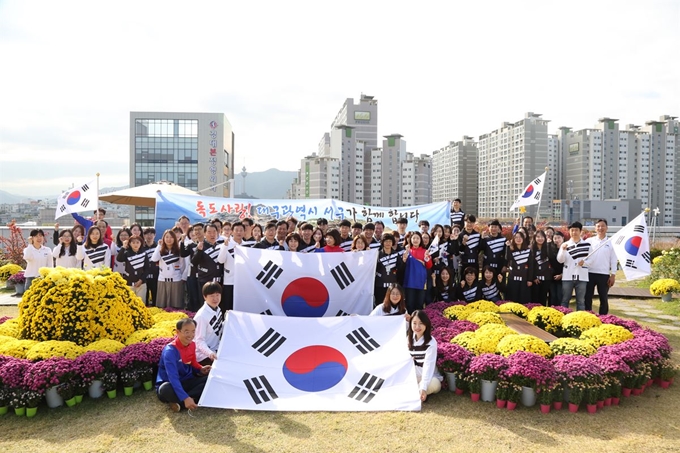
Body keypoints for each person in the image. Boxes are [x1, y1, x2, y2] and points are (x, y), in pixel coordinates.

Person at [156, 318, 211, 412]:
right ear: (178, 332)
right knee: (164, 389)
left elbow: (193, 363)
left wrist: (201, 369)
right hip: (171, 384)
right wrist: (185, 397)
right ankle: (189, 400)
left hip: (187, 381)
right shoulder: (170, 351)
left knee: (211, 380)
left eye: (193, 331)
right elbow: (173, 378)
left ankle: (181, 403)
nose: (191, 335)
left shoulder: (192, 344)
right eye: (186, 331)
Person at [407, 310, 442, 402]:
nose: (417, 327)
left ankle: (420, 391)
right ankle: (416, 392)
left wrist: (423, 387)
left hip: (429, 377)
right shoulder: (408, 339)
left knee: (434, 384)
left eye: (421, 323)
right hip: (413, 376)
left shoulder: (431, 342)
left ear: (426, 325)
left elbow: (428, 365)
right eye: (414, 323)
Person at [585, 219, 618, 315]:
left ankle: (604, 317)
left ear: (607, 228)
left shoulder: (611, 242)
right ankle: (588, 315)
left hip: (603, 274)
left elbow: (613, 259)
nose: (600, 228)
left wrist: (613, 275)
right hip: (589, 273)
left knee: (603, 297)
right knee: (587, 296)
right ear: (595, 228)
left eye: (603, 226)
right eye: (598, 226)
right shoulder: (589, 241)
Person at [557, 221, 591, 311]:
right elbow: (560, 260)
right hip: (568, 276)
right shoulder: (565, 245)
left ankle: (580, 321)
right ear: (569, 232)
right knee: (565, 300)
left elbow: (592, 260)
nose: (574, 232)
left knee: (581, 301)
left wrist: (585, 263)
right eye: (572, 230)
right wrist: (563, 250)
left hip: (582, 277)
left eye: (576, 230)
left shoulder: (587, 245)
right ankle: (563, 318)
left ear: (580, 231)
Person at [152, 229, 185, 309]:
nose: (169, 239)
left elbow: (182, 265)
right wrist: (159, 246)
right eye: (166, 237)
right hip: (163, 279)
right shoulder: (160, 250)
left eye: (171, 237)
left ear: (175, 238)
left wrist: (180, 276)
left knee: (176, 304)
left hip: (176, 280)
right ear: (163, 238)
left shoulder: (179, 250)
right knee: (162, 304)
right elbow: (154, 259)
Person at [194, 282, 224, 365]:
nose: (215, 298)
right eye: (212, 296)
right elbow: (199, 341)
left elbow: (218, 328)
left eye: (217, 295)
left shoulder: (218, 309)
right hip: (203, 357)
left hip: (215, 350)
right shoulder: (201, 316)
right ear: (205, 297)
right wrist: (210, 353)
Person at [402, 231, 432, 313]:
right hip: (409, 282)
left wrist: (427, 258)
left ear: (420, 240)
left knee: (419, 304)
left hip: (421, 282)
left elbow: (429, 266)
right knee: (409, 304)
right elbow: (403, 264)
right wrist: (406, 254)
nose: (415, 240)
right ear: (410, 239)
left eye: (418, 238)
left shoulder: (425, 251)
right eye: (414, 238)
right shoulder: (407, 251)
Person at [116, 234, 149, 303]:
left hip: (141, 284)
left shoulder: (144, 254)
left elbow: (147, 269)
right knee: (130, 303)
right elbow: (119, 259)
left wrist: (141, 280)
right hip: (129, 283)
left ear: (141, 243)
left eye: (137, 242)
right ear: (130, 244)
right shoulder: (127, 253)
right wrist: (123, 247)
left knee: (141, 303)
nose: (135, 244)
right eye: (133, 242)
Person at [181, 223, 205, 312]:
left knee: (202, 299)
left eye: (199, 229)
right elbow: (183, 254)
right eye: (195, 230)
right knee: (193, 298)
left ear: (204, 230)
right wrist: (182, 242)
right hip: (192, 275)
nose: (197, 231)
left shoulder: (207, 243)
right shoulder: (191, 244)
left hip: (204, 276)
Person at [192, 223, 224, 290]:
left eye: (214, 232)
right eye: (209, 232)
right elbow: (194, 262)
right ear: (204, 234)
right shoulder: (201, 246)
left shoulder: (221, 246)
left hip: (219, 281)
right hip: (205, 281)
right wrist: (199, 251)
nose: (212, 234)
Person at [375, 233, 402, 307]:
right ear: (382, 242)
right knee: (380, 305)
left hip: (392, 285)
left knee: (393, 305)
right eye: (386, 241)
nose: (388, 243)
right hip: (379, 285)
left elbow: (400, 269)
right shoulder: (377, 255)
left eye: (390, 241)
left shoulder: (396, 255)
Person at [505, 231, 533, 304]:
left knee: (523, 300)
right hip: (512, 278)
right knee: (512, 299)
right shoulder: (511, 250)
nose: (518, 239)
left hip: (524, 279)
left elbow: (531, 266)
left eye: (520, 237)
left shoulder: (528, 251)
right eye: (516, 237)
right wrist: (508, 247)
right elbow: (507, 258)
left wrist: (530, 279)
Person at [531, 230, 553, 306]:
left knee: (543, 299)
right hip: (535, 279)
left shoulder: (548, 248)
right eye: (538, 237)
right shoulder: (531, 250)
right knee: (534, 299)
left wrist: (549, 245)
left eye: (542, 237)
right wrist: (533, 277)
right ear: (534, 238)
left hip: (546, 279)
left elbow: (552, 260)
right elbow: (530, 265)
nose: (540, 238)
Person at [143, 227, 159, 306]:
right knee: (144, 296)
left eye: (151, 234)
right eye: (147, 234)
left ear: (154, 235)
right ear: (144, 235)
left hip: (156, 275)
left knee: (155, 294)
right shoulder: (141, 247)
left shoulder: (158, 247)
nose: (149, 236)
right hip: (144, 275)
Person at [548, 231, 565, 306]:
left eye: (559, 238)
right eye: (555, 238)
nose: (557, 240)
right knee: (552, 296)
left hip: (563, 276)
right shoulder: (551, 249)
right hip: (552, 276)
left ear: (563, 238)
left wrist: (562, 275)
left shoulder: (566, 249)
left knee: (560, 296)